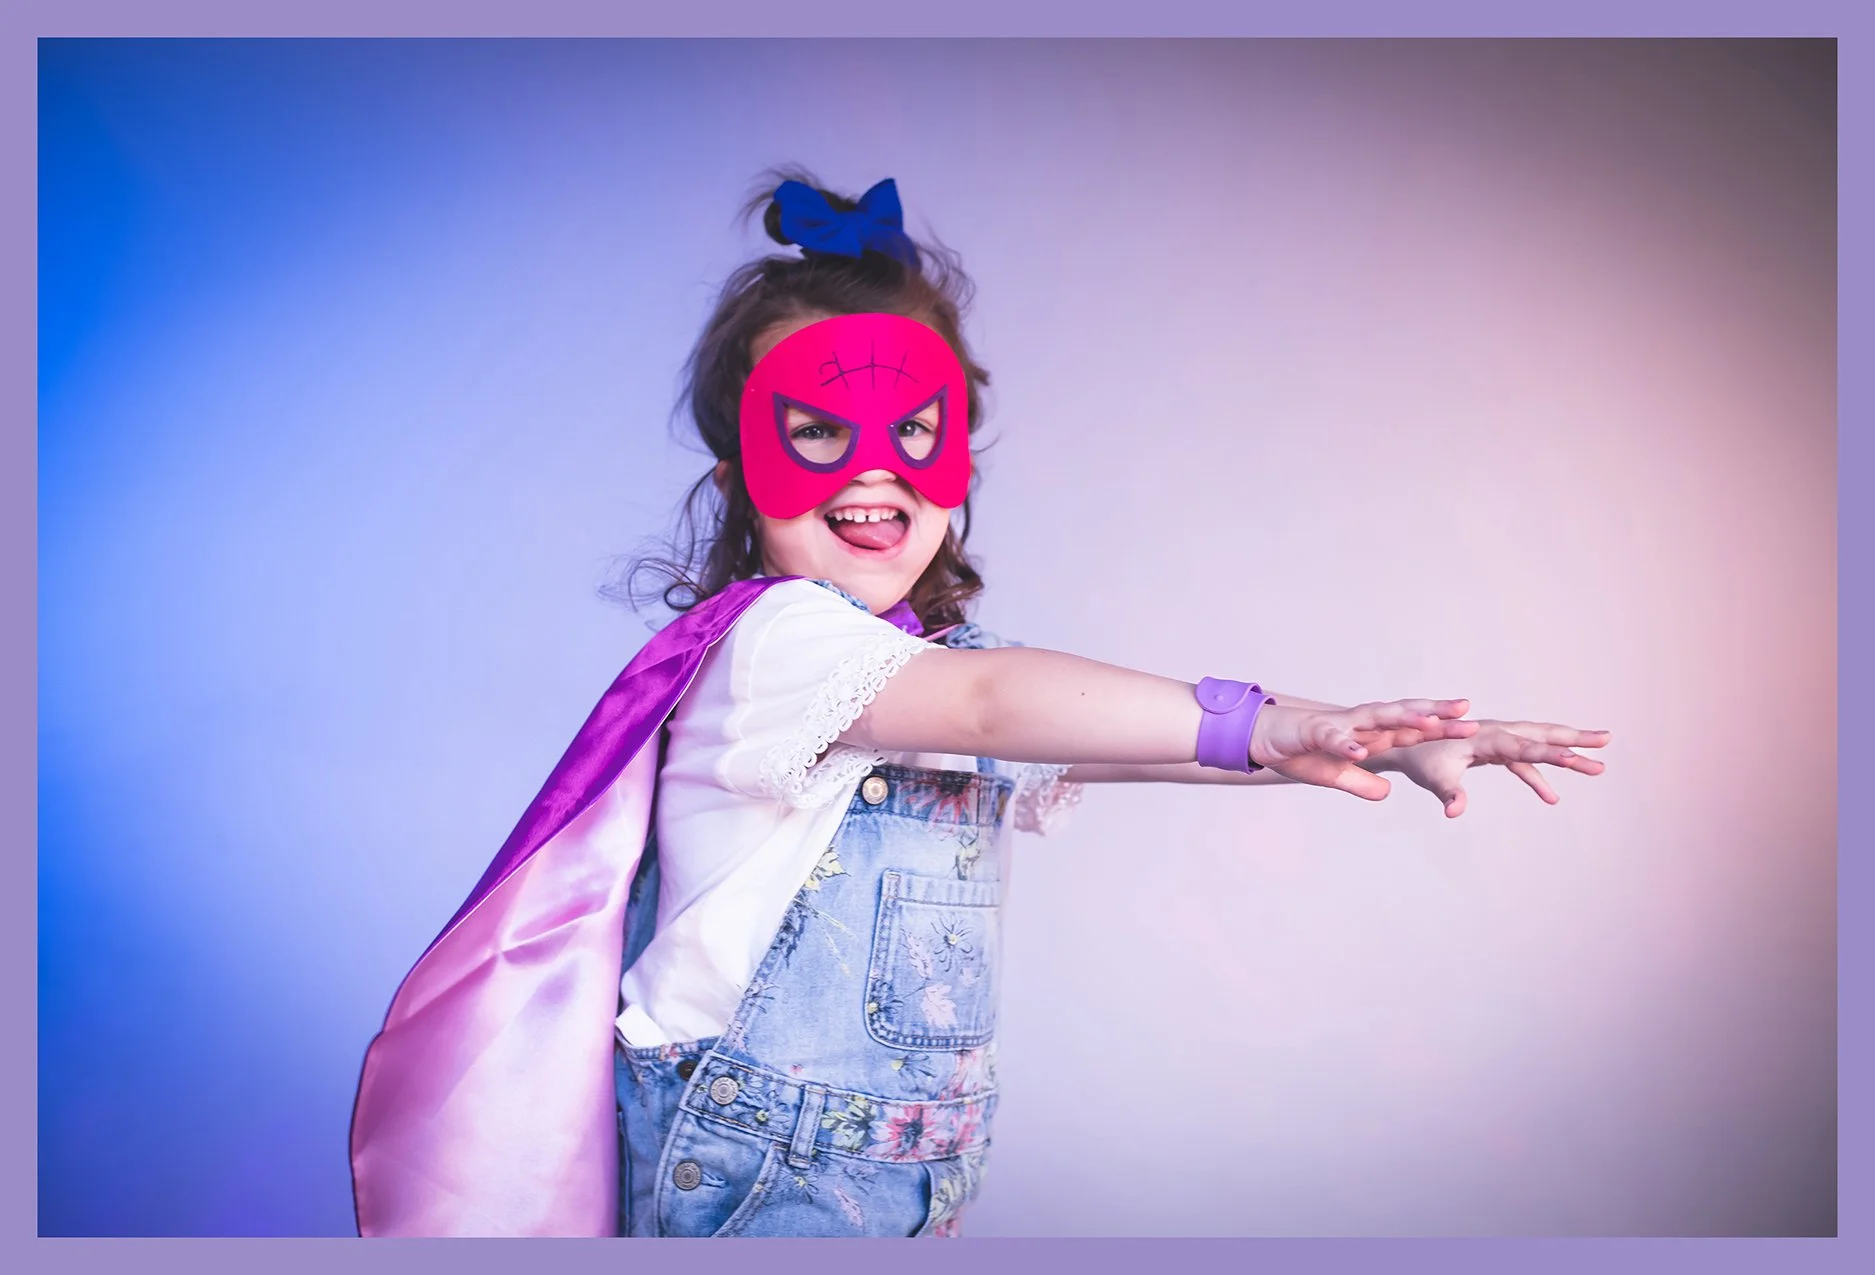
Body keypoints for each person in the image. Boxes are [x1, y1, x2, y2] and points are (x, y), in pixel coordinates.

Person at [349, 169, 1609, 1239]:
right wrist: (1265, 723)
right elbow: (1005, 706)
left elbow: (1114, 741)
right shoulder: (779, 649)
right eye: (819, 434)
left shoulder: (922, 667)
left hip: (916, 1166)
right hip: (755, 1167)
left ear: (957, 460)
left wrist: (1357, 734)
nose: (874, 472)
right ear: (742, 467)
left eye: (914, 431)